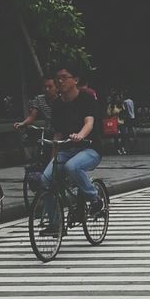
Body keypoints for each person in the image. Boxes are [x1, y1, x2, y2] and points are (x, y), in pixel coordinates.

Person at [42, 67, 104, 217]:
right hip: (66, 150)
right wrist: (53, 159)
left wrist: (80, 135)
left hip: (89, 149)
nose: (60, 81)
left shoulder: (87, 99)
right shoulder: (57, 104)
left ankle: (95, 198)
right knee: (45, 179)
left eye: (64, 77)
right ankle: (54, 223)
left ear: (75, 80)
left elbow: (89, 122)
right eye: (58, 78)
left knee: (72, 167)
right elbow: (57, 134)